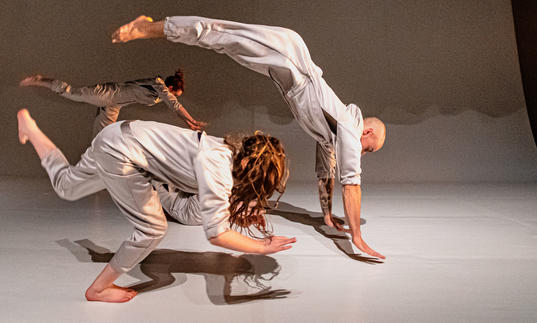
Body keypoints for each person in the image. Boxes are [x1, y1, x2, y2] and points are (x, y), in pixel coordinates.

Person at [112, 15, 387, 259]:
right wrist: (357, 237)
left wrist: (326, 213)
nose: (362, 154)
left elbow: (326, 170)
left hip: (284, 67)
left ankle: (153, 28)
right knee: (218, 34)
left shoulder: (336, 132)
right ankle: (149, 28)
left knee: (220, 38)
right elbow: (351, 185)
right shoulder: (350, 132)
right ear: (368, 132)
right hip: (289, 55)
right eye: (369, 149)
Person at [17, 108, 295, 303]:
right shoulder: (217, 167)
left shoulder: (225, 152)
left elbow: (197, 211)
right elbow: (217, 234)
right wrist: (260, 246)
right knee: (152, 229)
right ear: (246, 165)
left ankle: (30, 128)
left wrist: (243, 210)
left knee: (66, 187)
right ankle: (98, 290)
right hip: (122, 153)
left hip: (117, 137)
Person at [19, 69, 207, 136]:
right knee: (73, 93)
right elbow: (175, 105)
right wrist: (191, 121)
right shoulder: (159, 85)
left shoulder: (160, 93)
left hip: (115, 104)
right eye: (176, 94)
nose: (175, 97)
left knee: (103, 135)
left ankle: (95, 171)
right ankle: (40, 80)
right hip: (108, 93)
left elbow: (173, 103)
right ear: (172, 89)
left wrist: (190, 123)